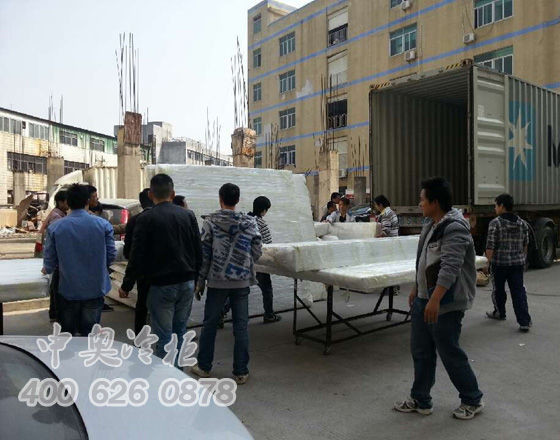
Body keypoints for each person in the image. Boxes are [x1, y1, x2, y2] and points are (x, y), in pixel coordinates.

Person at [394, 177, 483, 420]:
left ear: (435, 202)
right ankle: (421, 399)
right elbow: (423, 261)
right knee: (421, 351)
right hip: (425, 298)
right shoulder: (430, 224)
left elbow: (450, 268)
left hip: (446, 302)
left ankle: (472, 399)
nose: (419, 203)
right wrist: (417, 288)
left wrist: (434, 300)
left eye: (422, 199)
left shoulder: (455, 227)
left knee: (450, 352)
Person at [119, 174, 202, 365]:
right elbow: (198, 250)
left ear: (150, 194)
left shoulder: (146, 219)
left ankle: (167, 379)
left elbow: (136, 255)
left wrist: (126, 285)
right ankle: (178, 374)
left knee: (164, 336)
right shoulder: (188, 215)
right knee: (179, 333)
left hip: (161, 285)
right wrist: (197, 279)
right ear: (172, 193)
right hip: (186, 282)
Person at [191, 183, 262, 385]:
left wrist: (200, 281)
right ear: (237, 200)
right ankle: (241, 372)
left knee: (210, 324)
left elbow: (205, 255)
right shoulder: (250, 223)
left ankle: (204, 367)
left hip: (217, 281)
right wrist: (244, 262)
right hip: (241, 282)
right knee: (241, 326)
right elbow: (257, 251)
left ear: (220, 198)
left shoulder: (210, 222)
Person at [42, 184, 116, 336]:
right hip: (95, 287)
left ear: (68, 202)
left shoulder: (56, 227)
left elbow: (49, 259)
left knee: (68, 334)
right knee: (90, 334)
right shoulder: (103, 225)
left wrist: (48, 269)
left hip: (68, 288)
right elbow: (111, 255)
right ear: (87, 201)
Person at [485, 193, 532, 332]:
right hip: (517, 264)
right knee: (518, 291)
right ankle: (524, 321)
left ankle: (500, 313)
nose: (495, 208)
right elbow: (525, 244)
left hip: (499, 264)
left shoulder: (495, 223)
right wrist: (522, 259)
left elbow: (490, 246)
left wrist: (486, 264)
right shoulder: (522, 223)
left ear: (502, 206)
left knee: (498, 290)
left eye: (496, 205)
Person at [120, 188, 153, 334]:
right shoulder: (170, 217)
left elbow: (130, 252)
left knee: (142, 304)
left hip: (143, 272)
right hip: (166, 272)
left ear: (141, 203)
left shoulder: (135, 220)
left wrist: (127, 284)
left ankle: (140, 337)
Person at [248, 196, 281, 323]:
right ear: (263, 210)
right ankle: (269, 315)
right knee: (266, 289)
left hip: (245, 262)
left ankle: (220, 315)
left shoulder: (245, 220)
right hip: (259, 263)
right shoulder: (261, 223)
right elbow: (267, 245)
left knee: (241, 289)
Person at [38, 190, 69, 322]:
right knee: (56, 287)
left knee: (55, 286)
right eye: (67, 201)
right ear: (60, 202)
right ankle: (55, 313)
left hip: (56, 259)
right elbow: (55, 242)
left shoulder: (58, 214)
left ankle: (54, 312)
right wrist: (49, 264)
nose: (69, 204)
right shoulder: (57, 217)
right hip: (57, 259)